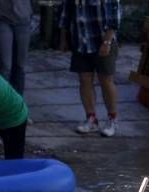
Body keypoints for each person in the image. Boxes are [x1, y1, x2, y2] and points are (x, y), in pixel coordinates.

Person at [59, 0, 120, 137]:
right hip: (80, 40)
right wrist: (63, 39)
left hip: (102, 40)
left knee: (106, 79)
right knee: (84, 79)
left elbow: (114, 18)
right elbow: (65, 14)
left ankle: (112, 118)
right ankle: (91, 118)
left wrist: (107, 42)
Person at [0, 0, 32, 97]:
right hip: (2, 17)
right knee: (5, 66)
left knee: (20, 65)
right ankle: (1, 103)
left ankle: (17, 104)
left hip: (24, 18)